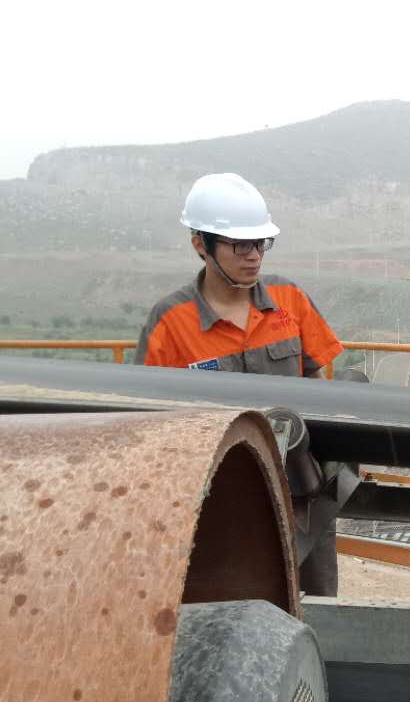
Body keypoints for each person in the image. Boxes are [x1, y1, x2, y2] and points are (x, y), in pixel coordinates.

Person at [135, 172, 345, 594]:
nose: (254, 257)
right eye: (240, 246)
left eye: (261, 243)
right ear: (201, 244)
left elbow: (318, 381)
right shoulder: (170, 323)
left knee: (316, 602)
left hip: (300, 495)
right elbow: (148, 424)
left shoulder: (289, 300)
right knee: (228, 604)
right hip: (220, 500)